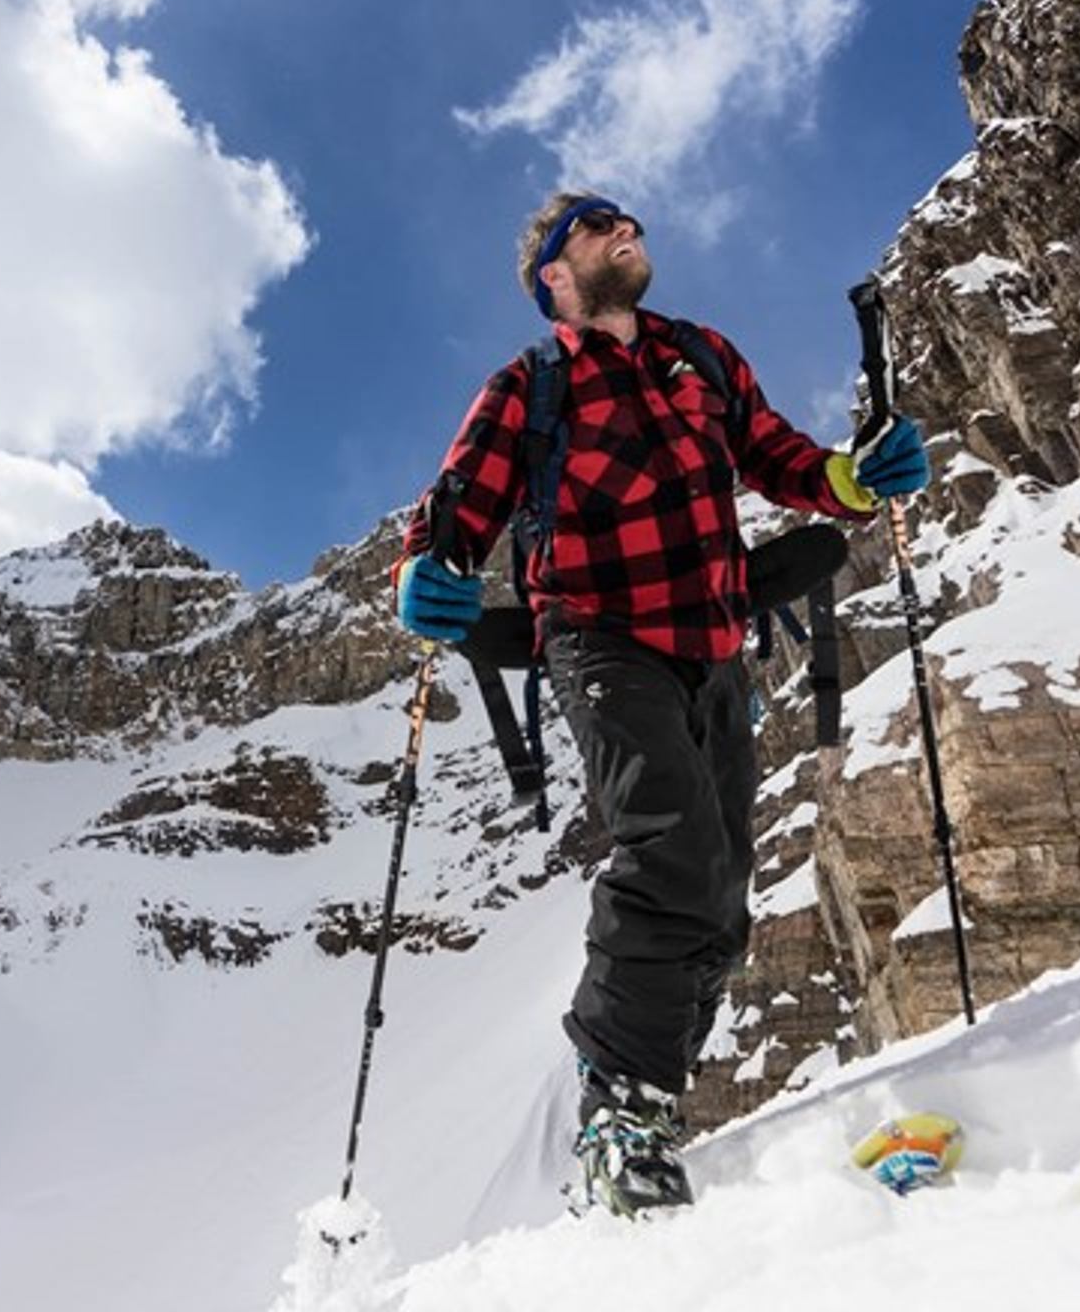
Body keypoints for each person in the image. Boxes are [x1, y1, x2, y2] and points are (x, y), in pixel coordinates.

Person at [393, 191, 930, 1215]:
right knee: (668, 847)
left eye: (625, 218)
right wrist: (420, 576)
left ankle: (652, 1099)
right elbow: (453, 517)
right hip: (600, 637)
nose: (622, 225)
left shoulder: (704, 357)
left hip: (715, 643)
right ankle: (618, 1109)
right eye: (593, 225)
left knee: (721, 902)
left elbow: (777, 458)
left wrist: (857, 479)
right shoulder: (528, 388)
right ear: (551, 273)